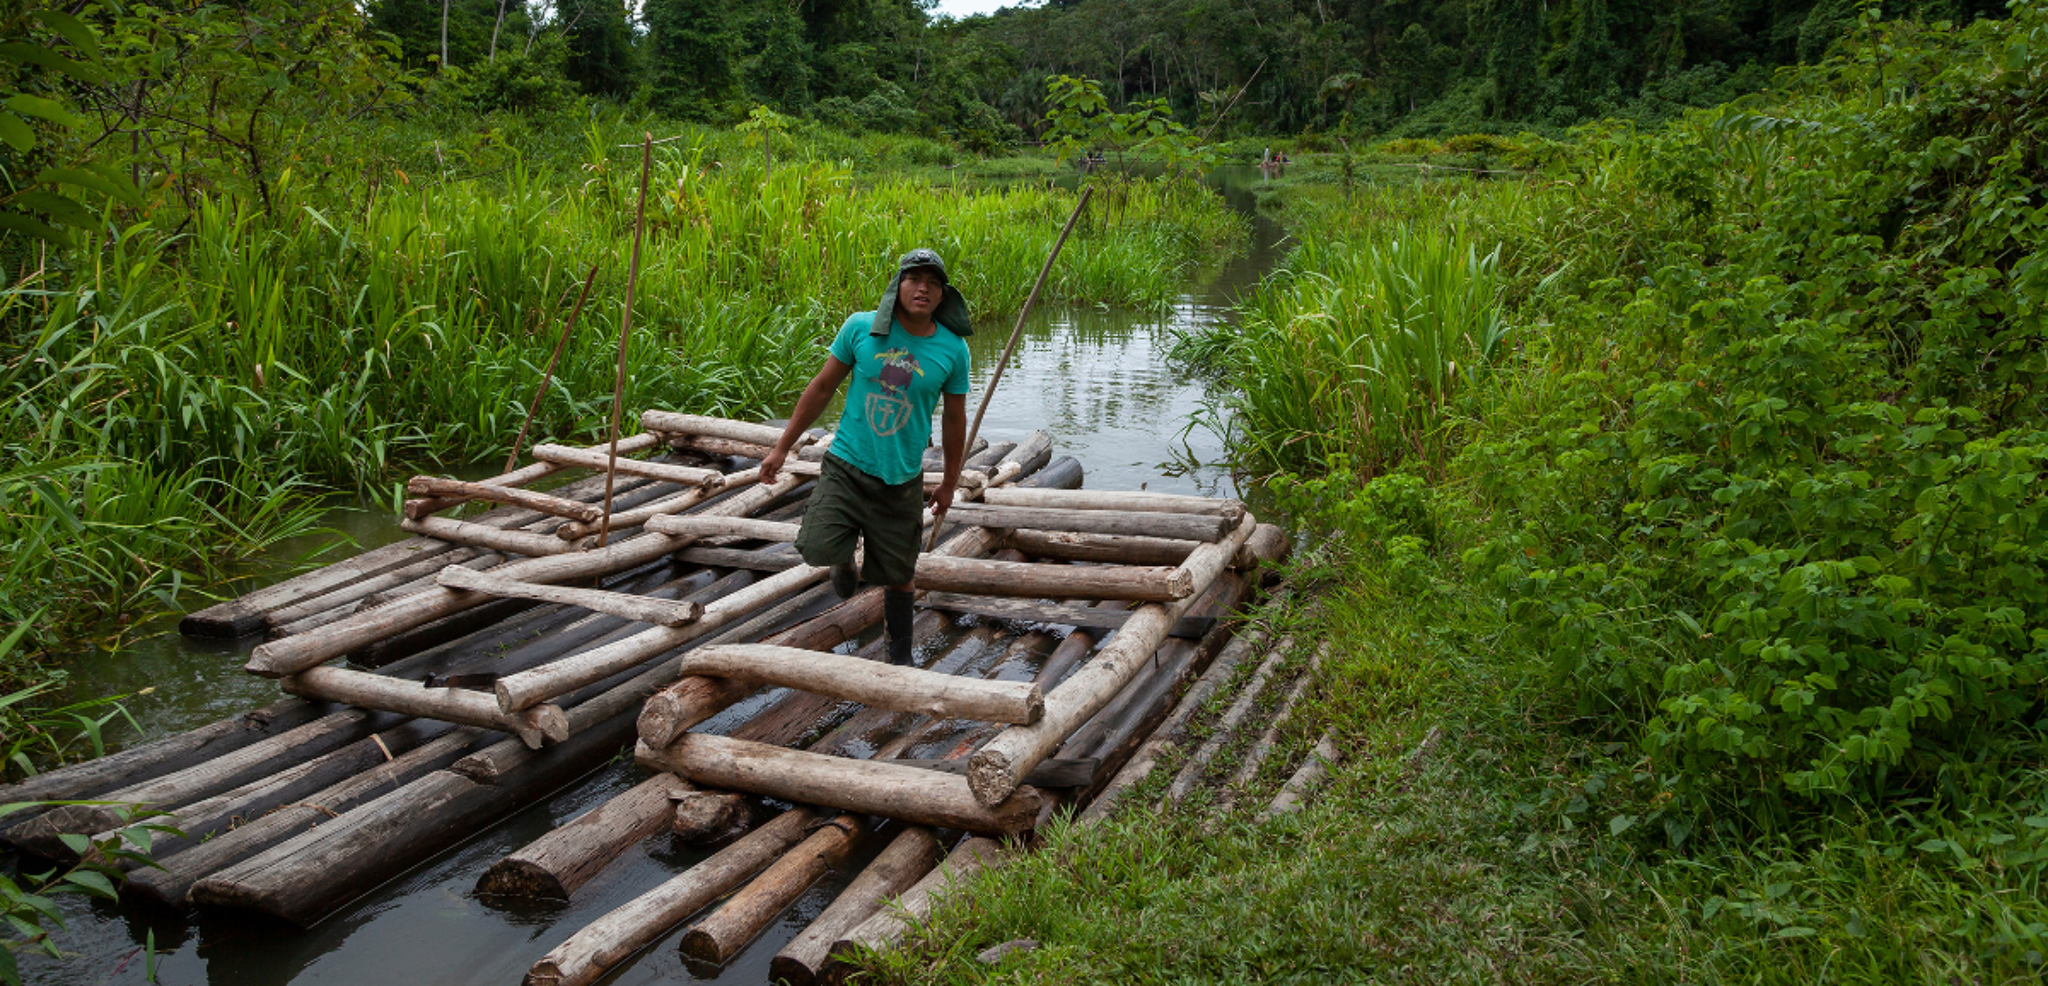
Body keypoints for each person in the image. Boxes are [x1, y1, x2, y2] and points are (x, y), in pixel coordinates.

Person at [759, 248, 972, 665]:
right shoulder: (861, 328)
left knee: (900, 575)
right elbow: (822, 387)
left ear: (943, 295)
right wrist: (782, 447)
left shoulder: (953, 349)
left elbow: (954, 420)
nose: (923, 288)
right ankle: (841, 558)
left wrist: (949, 483)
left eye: (933, 283)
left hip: (901, 478)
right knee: (816, 546)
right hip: (847, 465)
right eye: (914, 279)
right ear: (898, 286)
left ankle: (900, 658)